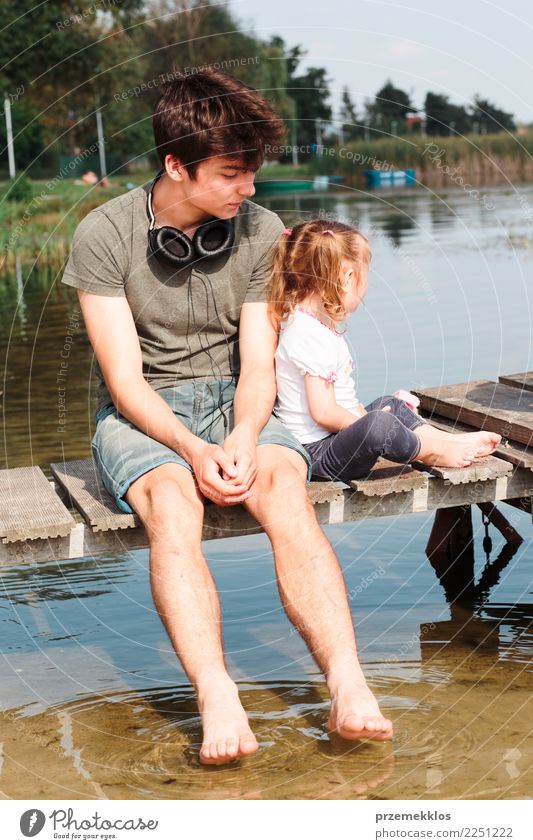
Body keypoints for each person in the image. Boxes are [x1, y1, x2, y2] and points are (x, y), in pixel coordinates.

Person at [63, 71, 393, 766]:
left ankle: (347, 680)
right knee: (171, 503)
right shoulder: (102, 234)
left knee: (282, 489)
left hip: (236, 398)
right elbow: (124, 382)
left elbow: (257, 364)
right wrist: (188, 447)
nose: (249, 188)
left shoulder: (262, 229)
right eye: (232, 174)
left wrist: (243, 435)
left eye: (253, 173)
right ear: (175, 165)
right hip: (145, 412)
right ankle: (215, 690)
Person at [270, 219, 501, 482]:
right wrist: (364, 422)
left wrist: (364, 416)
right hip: (319, 454)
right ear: (347, 278)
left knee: (388, 404)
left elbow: (342, 401)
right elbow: (324, 413)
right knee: (379, 425)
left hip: (334, 440)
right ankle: (432, 451)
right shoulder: (309, 335)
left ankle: (447, 440)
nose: (366, 288)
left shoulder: (313, 325)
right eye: (365, 277)